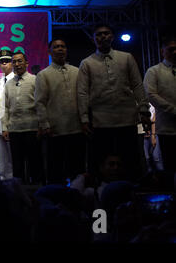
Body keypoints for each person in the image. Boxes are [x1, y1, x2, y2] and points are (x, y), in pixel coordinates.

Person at [77, 24, 151, 180]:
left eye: (106, 33)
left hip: (127, 119)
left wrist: (144, 110)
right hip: (100, 121)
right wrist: (84, 119)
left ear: (112, 36)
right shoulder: (87, 63)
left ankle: (131, 196)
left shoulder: (126, 57)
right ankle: (102, 195)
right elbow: (82, 92)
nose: (103, 37)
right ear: (93, 39)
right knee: (101, 161)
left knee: (130, 160)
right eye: (98, 34)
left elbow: (137, 85)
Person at [35, 39, 85, 184]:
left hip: (76, 127)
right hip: (55, 130)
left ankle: (78, 200)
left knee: (77, 168)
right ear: (49, 52)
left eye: (63, 46)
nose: (60, 49)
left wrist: (85, 120)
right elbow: (40, 102)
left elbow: (83, 97)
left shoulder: (77, 72)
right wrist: (45, 125)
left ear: (66, 50)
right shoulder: (43, 75)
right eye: (56, 47)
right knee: (55, 170)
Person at [2, 52, 42, 185]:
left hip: (32, 128)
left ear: (26, 63)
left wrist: (42, 125)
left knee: (34, 163)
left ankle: (36, 193)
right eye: (14, 62)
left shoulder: (35, 80)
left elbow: (41, 105)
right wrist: (5, 127)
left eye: (20, 61)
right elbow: (6, 107)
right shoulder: (8, 84)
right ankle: (18, 194)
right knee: (17, 165)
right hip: (14, 129)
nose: (17, 64)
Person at [144, 36, 176, 171]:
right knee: (170, 163)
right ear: (162, 51)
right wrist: (173, 109)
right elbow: (151, 95)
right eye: (171, 49)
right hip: (166, 127)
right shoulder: (154, 71)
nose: (174, 52)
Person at [0, 50, 15, 180]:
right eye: (2, 62)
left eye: (7, 61)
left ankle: (16, 184)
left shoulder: (17, 80)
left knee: (15, 158)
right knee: (3, 159)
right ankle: (4, 182)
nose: (4, 64)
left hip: (14, 125)